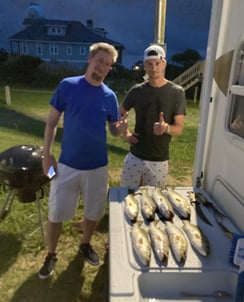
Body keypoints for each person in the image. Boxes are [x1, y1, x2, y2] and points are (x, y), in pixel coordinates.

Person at [38, 42, 124, 279]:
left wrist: (120, 127)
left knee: (94, 210)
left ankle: (85, 244)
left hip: (98, 167)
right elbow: (51, 123)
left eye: (108, 65)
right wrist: (47, 156)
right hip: (65, 166)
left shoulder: (110, 96)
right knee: (56, 212)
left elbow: (114, 130)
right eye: (100, 61)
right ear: (90, 59)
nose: (104, 67)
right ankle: (51, 254)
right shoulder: (68, 86)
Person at [120, 44, 186, 188]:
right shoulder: (137, 90)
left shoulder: (177, 92)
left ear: (164, 64)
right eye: (149, 64)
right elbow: (119, 114)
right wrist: (125, 133)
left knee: (153, 203)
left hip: (159, 160)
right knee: (125, 198)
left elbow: (179, 128)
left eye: (157, 63)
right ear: (144, 66)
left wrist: (166, 128)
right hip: (134, 157)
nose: (154, 68)